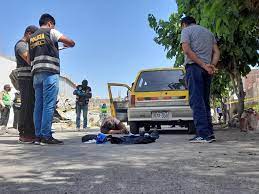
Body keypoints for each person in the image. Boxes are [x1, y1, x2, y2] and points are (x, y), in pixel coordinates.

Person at [28, 13, 75, 145]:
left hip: (36, 74)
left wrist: (57, 47)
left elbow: (32, 56)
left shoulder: (31, 37)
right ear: (50, 23)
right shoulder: (51, 31)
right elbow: (71, 42)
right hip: (49, 73)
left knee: (38, 106)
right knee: (49, 105)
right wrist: (69, 45)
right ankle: (46, 136)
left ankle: (37, 136)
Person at [180, 16, 220, 143]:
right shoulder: (208, 33)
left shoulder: (186, 31)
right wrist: (211, 66)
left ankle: (203, 134)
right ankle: (209, 134)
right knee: (204, 101)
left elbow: (186, 49)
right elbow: (217, 52)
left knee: (196, 101)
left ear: (184, 24)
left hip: (194, 68)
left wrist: (202, 65)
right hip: (207, 70)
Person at [14, 25, 38, 143]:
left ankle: (31, 131)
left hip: (30, 79)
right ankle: (24, 133)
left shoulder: (27, 45)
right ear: (29, 33)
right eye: (34, 36)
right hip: (25, 79)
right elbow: (28, 59)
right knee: (27, 105)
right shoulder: (21, 45)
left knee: (31, 105)